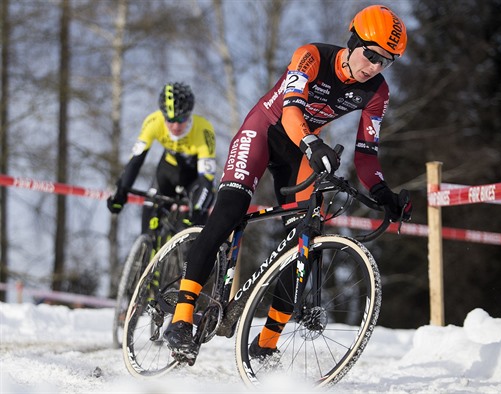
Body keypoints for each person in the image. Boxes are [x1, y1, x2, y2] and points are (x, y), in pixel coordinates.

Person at [163, 5, 412, 361]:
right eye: (371, 55)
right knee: (229, 212)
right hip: (265, 130)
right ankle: (182, 317)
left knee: (303, 242)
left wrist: (382, 192)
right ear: (354, 41)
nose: (374, 66)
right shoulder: (310, 56)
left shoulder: (377, 92)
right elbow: (292, 110)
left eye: (385, 62)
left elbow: (367, 154)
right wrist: (312, 143)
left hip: (301, 151)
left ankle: (266, 342)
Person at [107, 82, 216, 229]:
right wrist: (121, 190)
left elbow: (207, 179)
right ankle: (146, 248)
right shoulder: (153, 122)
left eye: (181, 119)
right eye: (170, 120)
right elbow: (136, 160)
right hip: (167, 171)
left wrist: (198, 208)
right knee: (149, 213)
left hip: (194, 178)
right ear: (163, 115)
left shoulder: (204, 130)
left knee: (195, 225)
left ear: (189, 115)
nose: (175, 127)